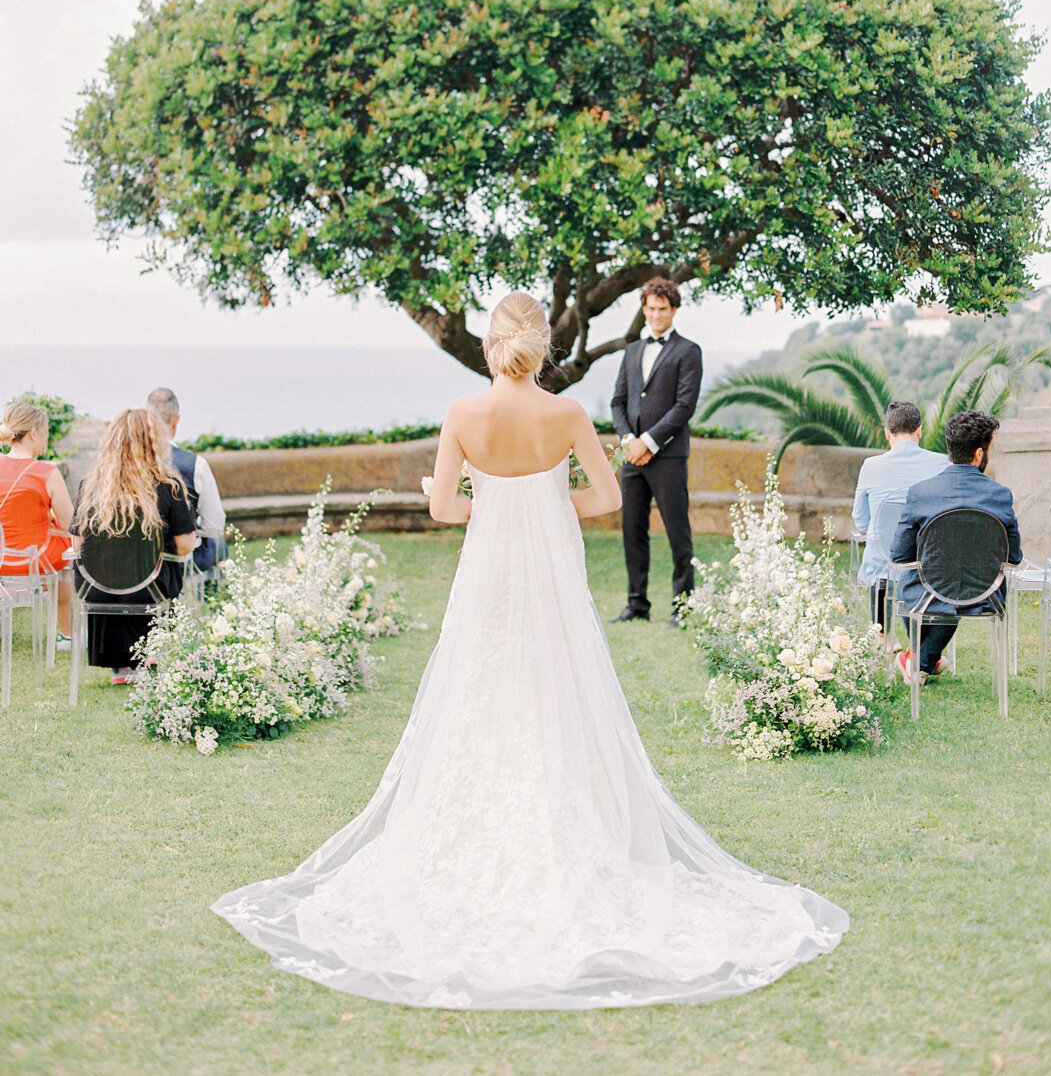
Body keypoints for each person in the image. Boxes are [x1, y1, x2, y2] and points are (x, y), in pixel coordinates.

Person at [212, 291, 847, 1009]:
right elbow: (606, 497)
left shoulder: (462, 416)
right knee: (554, 688)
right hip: (548, 580)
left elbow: (445, 509)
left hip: (488, 579)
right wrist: (538, 502)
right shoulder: (567, 414)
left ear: (491, 346)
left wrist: (498, 503)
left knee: (479, 692)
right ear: (542, 347)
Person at [891, 410, 1022, 685]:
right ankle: (925, 659)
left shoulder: (920, 493)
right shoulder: (1000, 495)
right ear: (978, 455)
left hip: (928, 593)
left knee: (923, 583)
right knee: (953, 585)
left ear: (950, 450)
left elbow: (899, 554)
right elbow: (1014, 557)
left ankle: (919, 660)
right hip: (985, 595)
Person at [71, 408, 197, 684]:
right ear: (154, 443)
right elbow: (186, 545)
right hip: (150, 590)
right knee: (154, 572)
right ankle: (150, 650)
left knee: (118, 573)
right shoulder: (169, 487)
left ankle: (121, 664)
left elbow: (77, 544)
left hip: (97, 591)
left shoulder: (90, 487)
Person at [609, 277, 703, 626]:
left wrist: (647, 442)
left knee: (679, 534)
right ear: (644, 309)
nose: (656, 315)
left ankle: (683, 608)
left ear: (673, 310)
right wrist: (629, 442)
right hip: (631, 459)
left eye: (663, 309)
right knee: (632, 531)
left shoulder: (688, 351)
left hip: (668, 457)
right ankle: (637, 605)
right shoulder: (632, 350)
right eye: (650, 309)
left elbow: (684, 406)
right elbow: (618, 401)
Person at [851, 400, 949, 626]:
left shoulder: (870, 466)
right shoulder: (942, 464)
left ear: (887, 433)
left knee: (880, 553)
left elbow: (862, 522)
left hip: (883, 567)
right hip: (927, 564)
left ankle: (881, 631)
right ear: (920, 431)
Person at [0, 401, 75, 648]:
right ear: (34, 433)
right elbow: (69, 524)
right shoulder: (46, 471)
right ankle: (67, 633)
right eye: (45, 433)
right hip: (34, 560)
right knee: (68, 547)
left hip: (2, 559)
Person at [145, 387, 226, 576]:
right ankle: (212, 594)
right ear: (176, 420)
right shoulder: (195, 465)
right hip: (181, 561)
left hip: (140, 561)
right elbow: (214, 525)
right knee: (219, 543)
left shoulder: (129, 465)